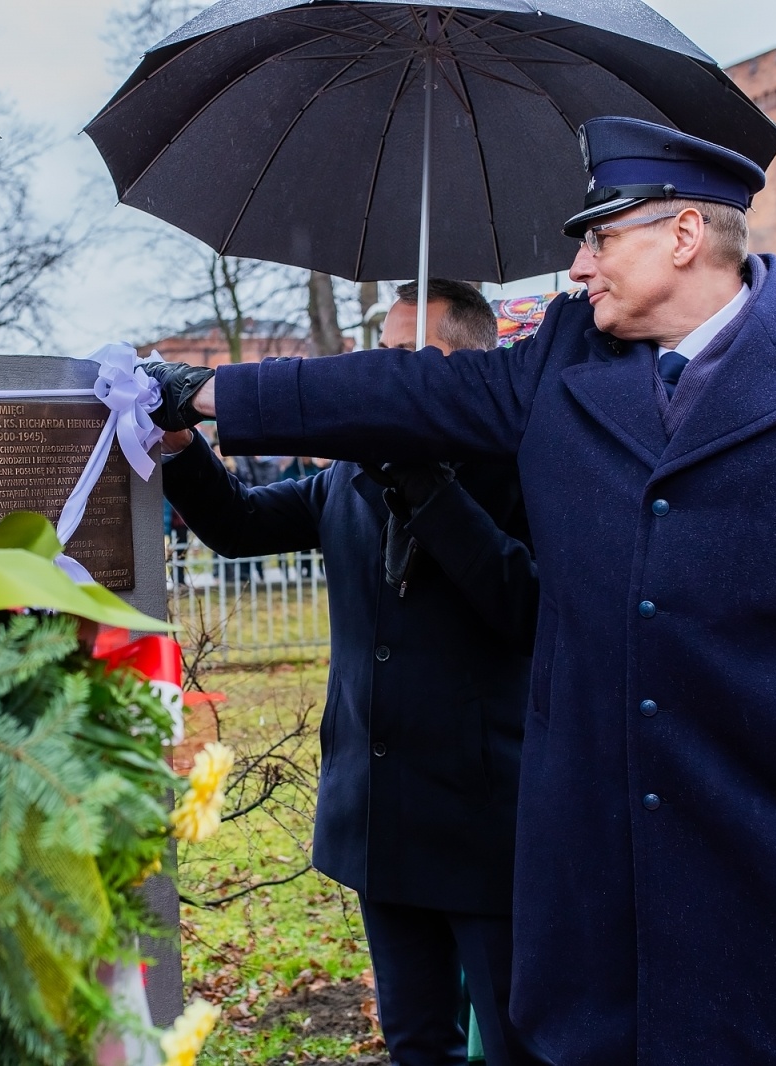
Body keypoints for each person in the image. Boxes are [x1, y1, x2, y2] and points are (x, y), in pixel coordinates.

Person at [146, 117, 776, 1064]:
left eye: (599, 237)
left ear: (684, 235)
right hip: (595, 848)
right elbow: (405, 394)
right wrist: (204, 395)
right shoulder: (567, 358)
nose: (576, 268)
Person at [160, 280, 535, 1065]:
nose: (378, 373)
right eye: (381, 352)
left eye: (405, 356)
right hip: (380, 818)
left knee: (514, 1042)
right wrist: (182, 451)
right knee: (414, 1040)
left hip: (488, 822)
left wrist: (427, 481)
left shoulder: (521, 466)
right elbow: (239, 526)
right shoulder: (351, 475)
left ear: (467, 365)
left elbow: (520, 604)